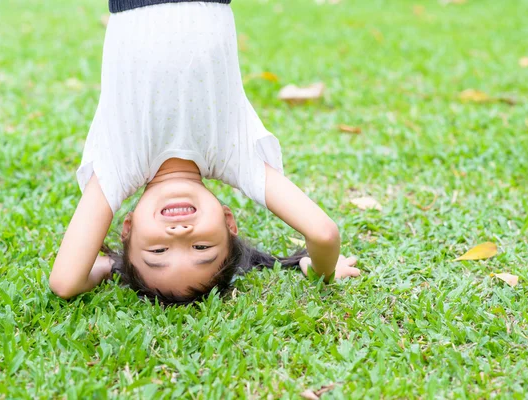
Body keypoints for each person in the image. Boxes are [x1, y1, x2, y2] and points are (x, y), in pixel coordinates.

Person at [49, 0, 361, 305]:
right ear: (228, 221)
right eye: (201, 247)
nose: (179, 233)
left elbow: (65, 283)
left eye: (158, 252)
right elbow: (323, 234)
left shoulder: (119, 167)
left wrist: (110, 266)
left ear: (128, 228)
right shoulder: (235, 157)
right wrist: (323, 270)